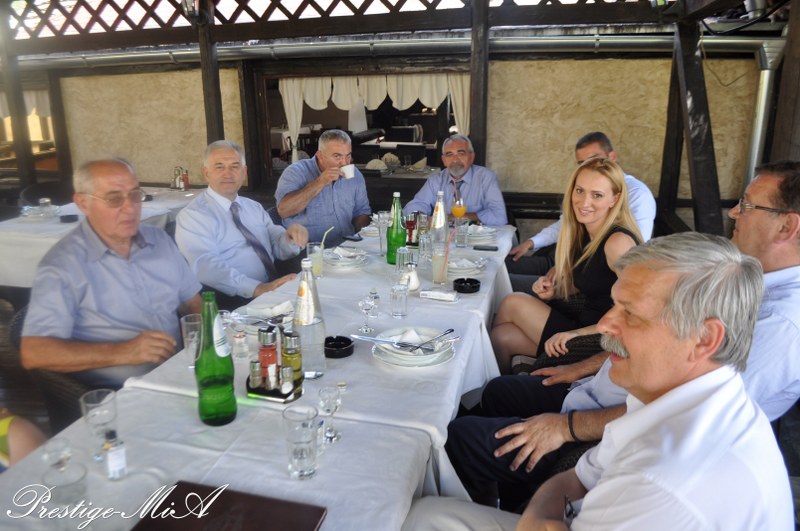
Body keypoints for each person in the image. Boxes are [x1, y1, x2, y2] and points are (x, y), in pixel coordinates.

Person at [419, 233, 794, 529]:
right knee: (426, 514)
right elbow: (579, 477)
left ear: (704, 339)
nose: (605, 325)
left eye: (630, 313)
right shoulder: (674, 400)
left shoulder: (667, 483)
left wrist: (542, 513)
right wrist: (538, 515)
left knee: (419, 517)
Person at [21, 159, 202, 389]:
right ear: (83, 203)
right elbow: (34, 352)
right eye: (114, 199)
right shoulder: (62, 266)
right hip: (119, 393)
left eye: (135, 195)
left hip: (181, 373)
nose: (130, 208)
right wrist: (124, 351)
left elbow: (192, 303)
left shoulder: (159, 240)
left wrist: (210, 345)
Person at [491, 157, 641, 374]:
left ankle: (526, 378)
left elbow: (637, 311)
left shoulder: (617, 242)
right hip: (585, 319)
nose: (584, 202)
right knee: (500, 337)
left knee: (513, 302)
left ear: (614, 199)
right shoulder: (585, 232)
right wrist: (555, 291)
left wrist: (577, 334)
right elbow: (591, 282)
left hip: (602, 338)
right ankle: (510, 383)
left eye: (597, 195)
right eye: (580, 191)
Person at [506, 132, 655, 292]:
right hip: (567, 260)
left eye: (597, 195)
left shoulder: (637, 195)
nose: (585, 202)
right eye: (582, 163)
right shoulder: (583, 202)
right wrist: (531, 243)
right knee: (500, 273)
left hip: (578, 272)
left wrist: (568, 269)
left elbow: (636, 250)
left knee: (504, 285)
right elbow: (565, 224)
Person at [176, 140, 307, 310]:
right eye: (219, 167)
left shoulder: (253, 207)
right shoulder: (194, 215)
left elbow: (277, 245)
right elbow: (205, 266)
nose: (228, 174)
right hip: (233, 301)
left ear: (244, 172)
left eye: (235, 166)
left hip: (274, 290)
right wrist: (257, 289)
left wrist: (291, 238)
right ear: (206, 173)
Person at [275, 129, 371, 247]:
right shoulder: (296, 172)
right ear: (320, 155)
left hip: (347, 248)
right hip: (309, 250)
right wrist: (320, 182)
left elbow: (361, 212)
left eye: (348, 156)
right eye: (337, 156)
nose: (345, 163)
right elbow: (283, 211)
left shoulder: (355, 174)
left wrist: (363, 238)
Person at [403, 134, 507, 225]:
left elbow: (499, 216)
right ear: (444, 160)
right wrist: (423, 218)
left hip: (480, 237)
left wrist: (453, 218)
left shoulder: (486, 177)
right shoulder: (435, 180)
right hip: (444, 237)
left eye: (461, 153)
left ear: (472, 157)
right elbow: (414, 206)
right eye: (449, 154)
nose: (455, 160)